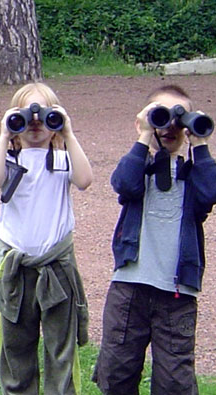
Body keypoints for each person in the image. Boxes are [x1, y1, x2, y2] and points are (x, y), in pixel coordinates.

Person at [92, 85, 216, 394]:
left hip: (177, 294)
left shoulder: (195, 175)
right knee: (116, 373)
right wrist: (144, 136)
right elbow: (124, 184)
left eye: (179, 118)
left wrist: (200, 143)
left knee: (175, 382)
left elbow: (210, 192)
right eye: (161, 115)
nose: (170, 125)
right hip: (130, 287)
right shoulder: (139, 168)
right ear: (144, 121)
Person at [0, 82, 93, 394]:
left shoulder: (62, 159)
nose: (35, 122)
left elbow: (85, 180)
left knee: (61, 346)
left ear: (55, 121)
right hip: (17, 266)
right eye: (25, 116)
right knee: (16, 345)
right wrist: (5, 134)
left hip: (55, 265)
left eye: (45, 115)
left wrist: (68, 133)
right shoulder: (9, 160)